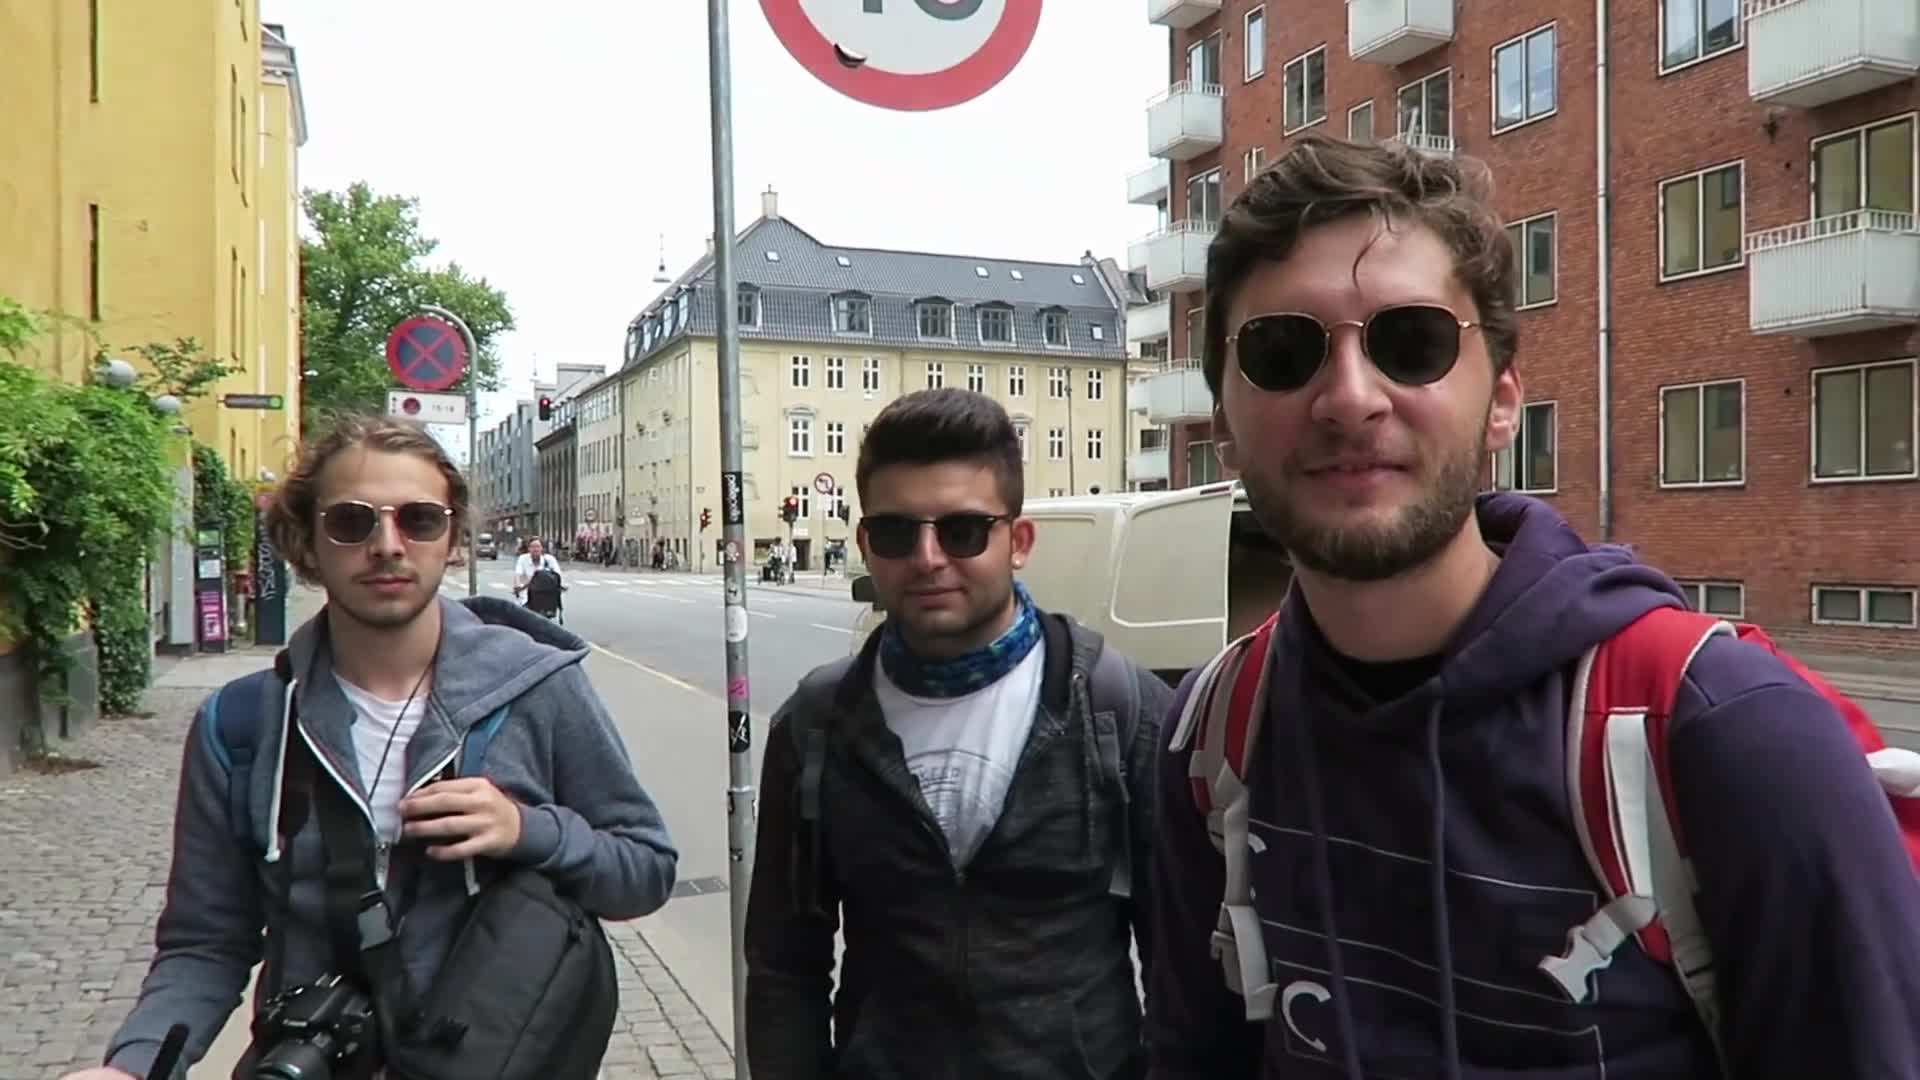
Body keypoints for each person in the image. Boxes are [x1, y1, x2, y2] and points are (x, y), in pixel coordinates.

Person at [1145, 133, 1920, 1079]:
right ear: (1221, 421)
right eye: (1280, 351)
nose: (1350, 399)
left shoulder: (1727, 734)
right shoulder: (1212, 738)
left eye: (1413, 343)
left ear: (1503, 398)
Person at [67, 415, 678, 1079]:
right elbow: (204, 942)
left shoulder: (538, 689)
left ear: (451, 540)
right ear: (306, 541)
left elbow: (643, 871)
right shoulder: (242, 723)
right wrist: (132, 1066)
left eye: (419, 520)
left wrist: (530, 830)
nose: (388, 545)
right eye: (353, 522)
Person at [745, 388, 1173, 1079]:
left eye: (963, 531)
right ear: (865, 544)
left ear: (1020, 541)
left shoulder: (1121, 710)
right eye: (895, 532)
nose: (927, 557)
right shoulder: (816, 726)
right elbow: (782, 969)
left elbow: (1180, 967)